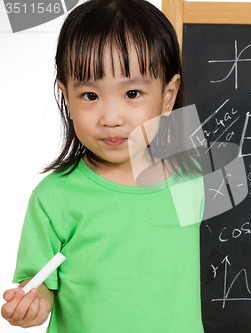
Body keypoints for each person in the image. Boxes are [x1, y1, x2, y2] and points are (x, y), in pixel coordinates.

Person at [1, 0, 205, 331]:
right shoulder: (55, 197)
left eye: (133, 93)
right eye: (90, 96)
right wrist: (31, 303)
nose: (111, 118)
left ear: (168, 96)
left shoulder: (194, 182)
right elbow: (37, 283)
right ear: (66, 96)